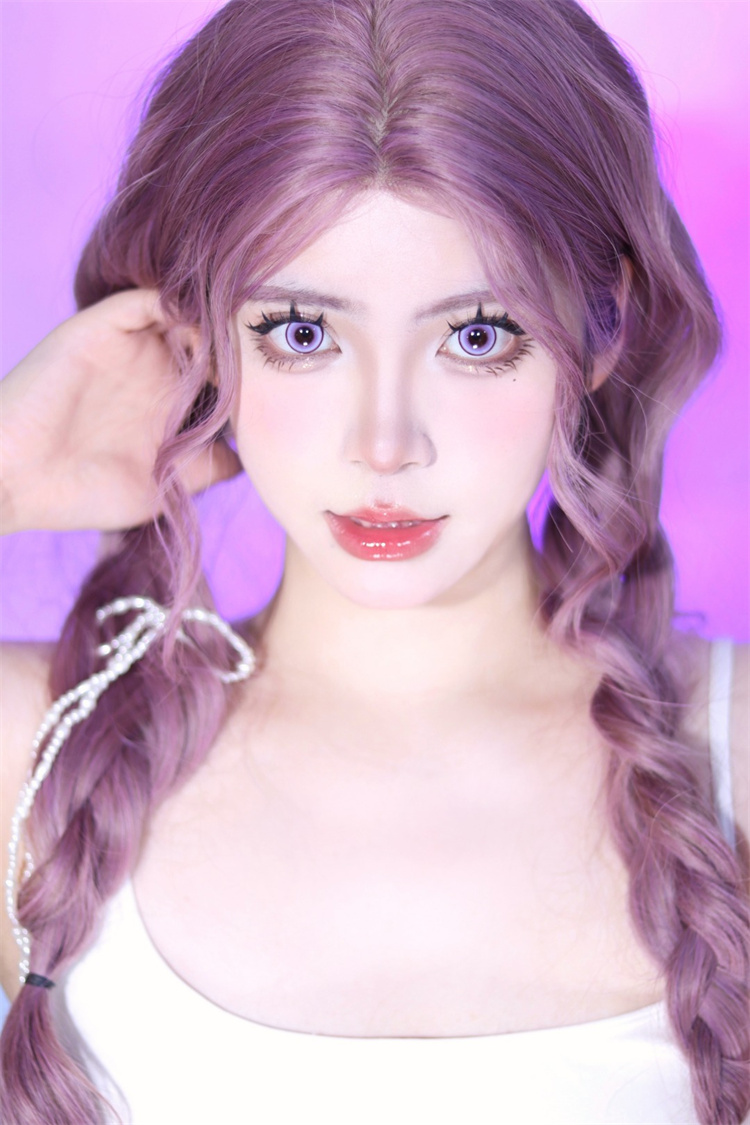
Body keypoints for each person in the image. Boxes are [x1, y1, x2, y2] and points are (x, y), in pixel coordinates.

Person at [0, 0, 748, 1122]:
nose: (385, 443)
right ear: (199, 335)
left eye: (477, 334)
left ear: (602, 330)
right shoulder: (34, 751)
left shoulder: (733, 754)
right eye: (302, 333)